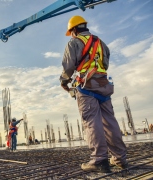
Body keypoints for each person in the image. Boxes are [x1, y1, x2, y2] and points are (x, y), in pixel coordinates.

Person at [60, 16, 127, 172]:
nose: (71, 35)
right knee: (110, 122)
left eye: (71, 32)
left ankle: (99, 160)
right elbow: (105, 64)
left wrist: (64, 81)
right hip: (103, 84)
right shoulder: (101, 43)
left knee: (91, 121)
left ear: (74, 29)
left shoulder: (74, 42)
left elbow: (68, 67)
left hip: (86, 86)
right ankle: (120, 159)